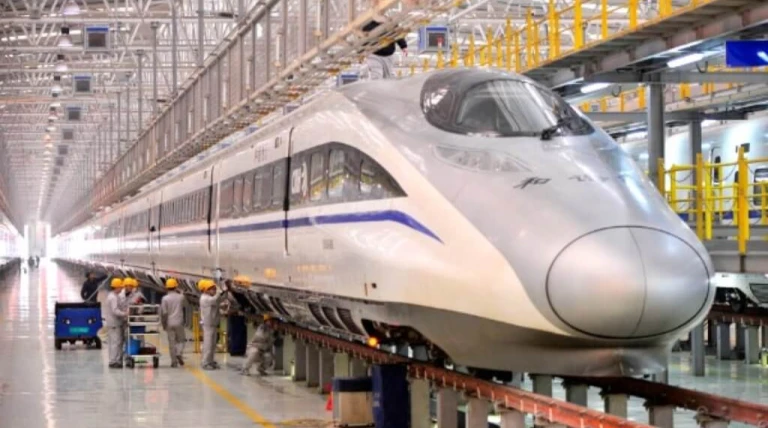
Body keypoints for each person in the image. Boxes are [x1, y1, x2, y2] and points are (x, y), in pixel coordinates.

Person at [198, 279, 228, 370]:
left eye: (214, 288)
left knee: (213, 344)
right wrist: (220, 290)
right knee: (208, 344)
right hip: (208, 324)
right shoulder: (205, 298)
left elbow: (219, 299)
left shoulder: (209, 298)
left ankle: (210, 361)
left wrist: (226, 291)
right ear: (205, 290)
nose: (214, 290)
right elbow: (215, 300)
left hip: (213, 324)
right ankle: (205, 363)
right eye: (211, 289)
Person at [160, 278, 186, 368]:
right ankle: (179, 353)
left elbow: (164, 313)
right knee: (181, 340)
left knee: (171, 343)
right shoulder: (181, 297)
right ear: (176, 287)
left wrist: (163, 324)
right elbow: (185, 305)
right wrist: (181, 292)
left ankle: (173, 362)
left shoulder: (165, 299)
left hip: (169, 322)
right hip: (179, 322)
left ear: (167, 288)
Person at [104, 278, 127, 368]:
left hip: (113, 323)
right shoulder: (113, 297)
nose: (121, 289)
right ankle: (113, 362)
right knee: (115, 343)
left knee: (114, 342)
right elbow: (115, 310)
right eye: (120, 287)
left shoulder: (113, 296)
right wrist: (125, 314)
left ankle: (114, 360)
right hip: (114, 324)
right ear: (116, 287)